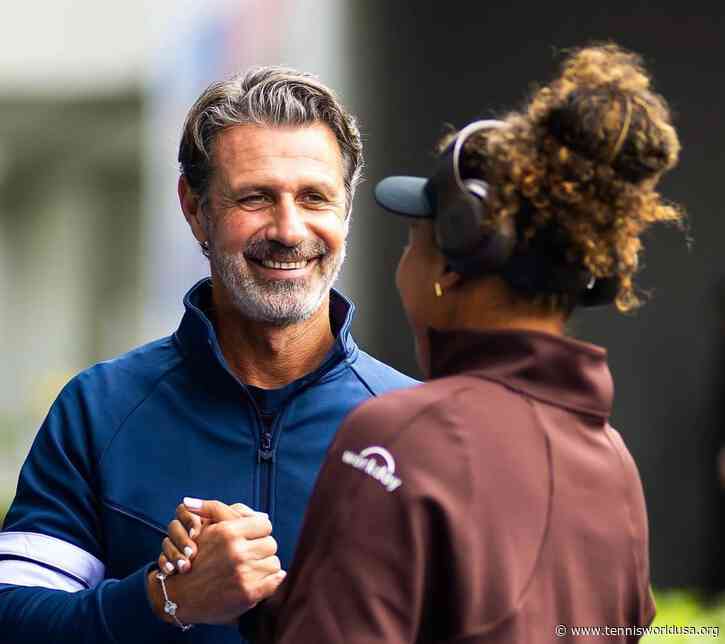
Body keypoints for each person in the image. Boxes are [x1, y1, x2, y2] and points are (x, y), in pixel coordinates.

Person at [163, 44, 682, 642]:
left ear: (451, 267)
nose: (403, 264)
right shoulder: (611, 461)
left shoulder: (400, 435)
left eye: (414, 239)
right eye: (256, 197)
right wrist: (262, 598)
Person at [0, 66, 417, 643]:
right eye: (256, 197)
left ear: (346, 211)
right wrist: (166, 599)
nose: (289, 230)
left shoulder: (421, 427)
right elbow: (15, 622)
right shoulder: (99, 411)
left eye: (315, 197)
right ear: (194, 208)